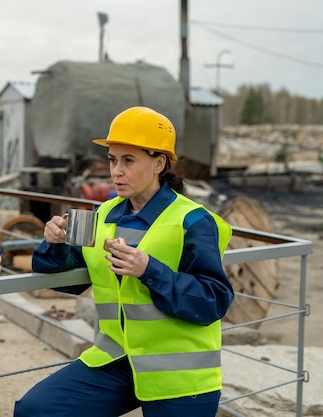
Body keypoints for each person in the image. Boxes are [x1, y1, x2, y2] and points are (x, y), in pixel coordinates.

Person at [14, 106, 233, 417]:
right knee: (35, 410)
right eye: (112, 160)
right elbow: (71, 278)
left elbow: (213, 301)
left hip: (180, 374)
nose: (116, 171)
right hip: (116, 360)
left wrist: (149, 270)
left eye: (128, 161)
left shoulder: (194, 221)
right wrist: (54, 244)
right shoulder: (103, 214)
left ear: (159, 163)